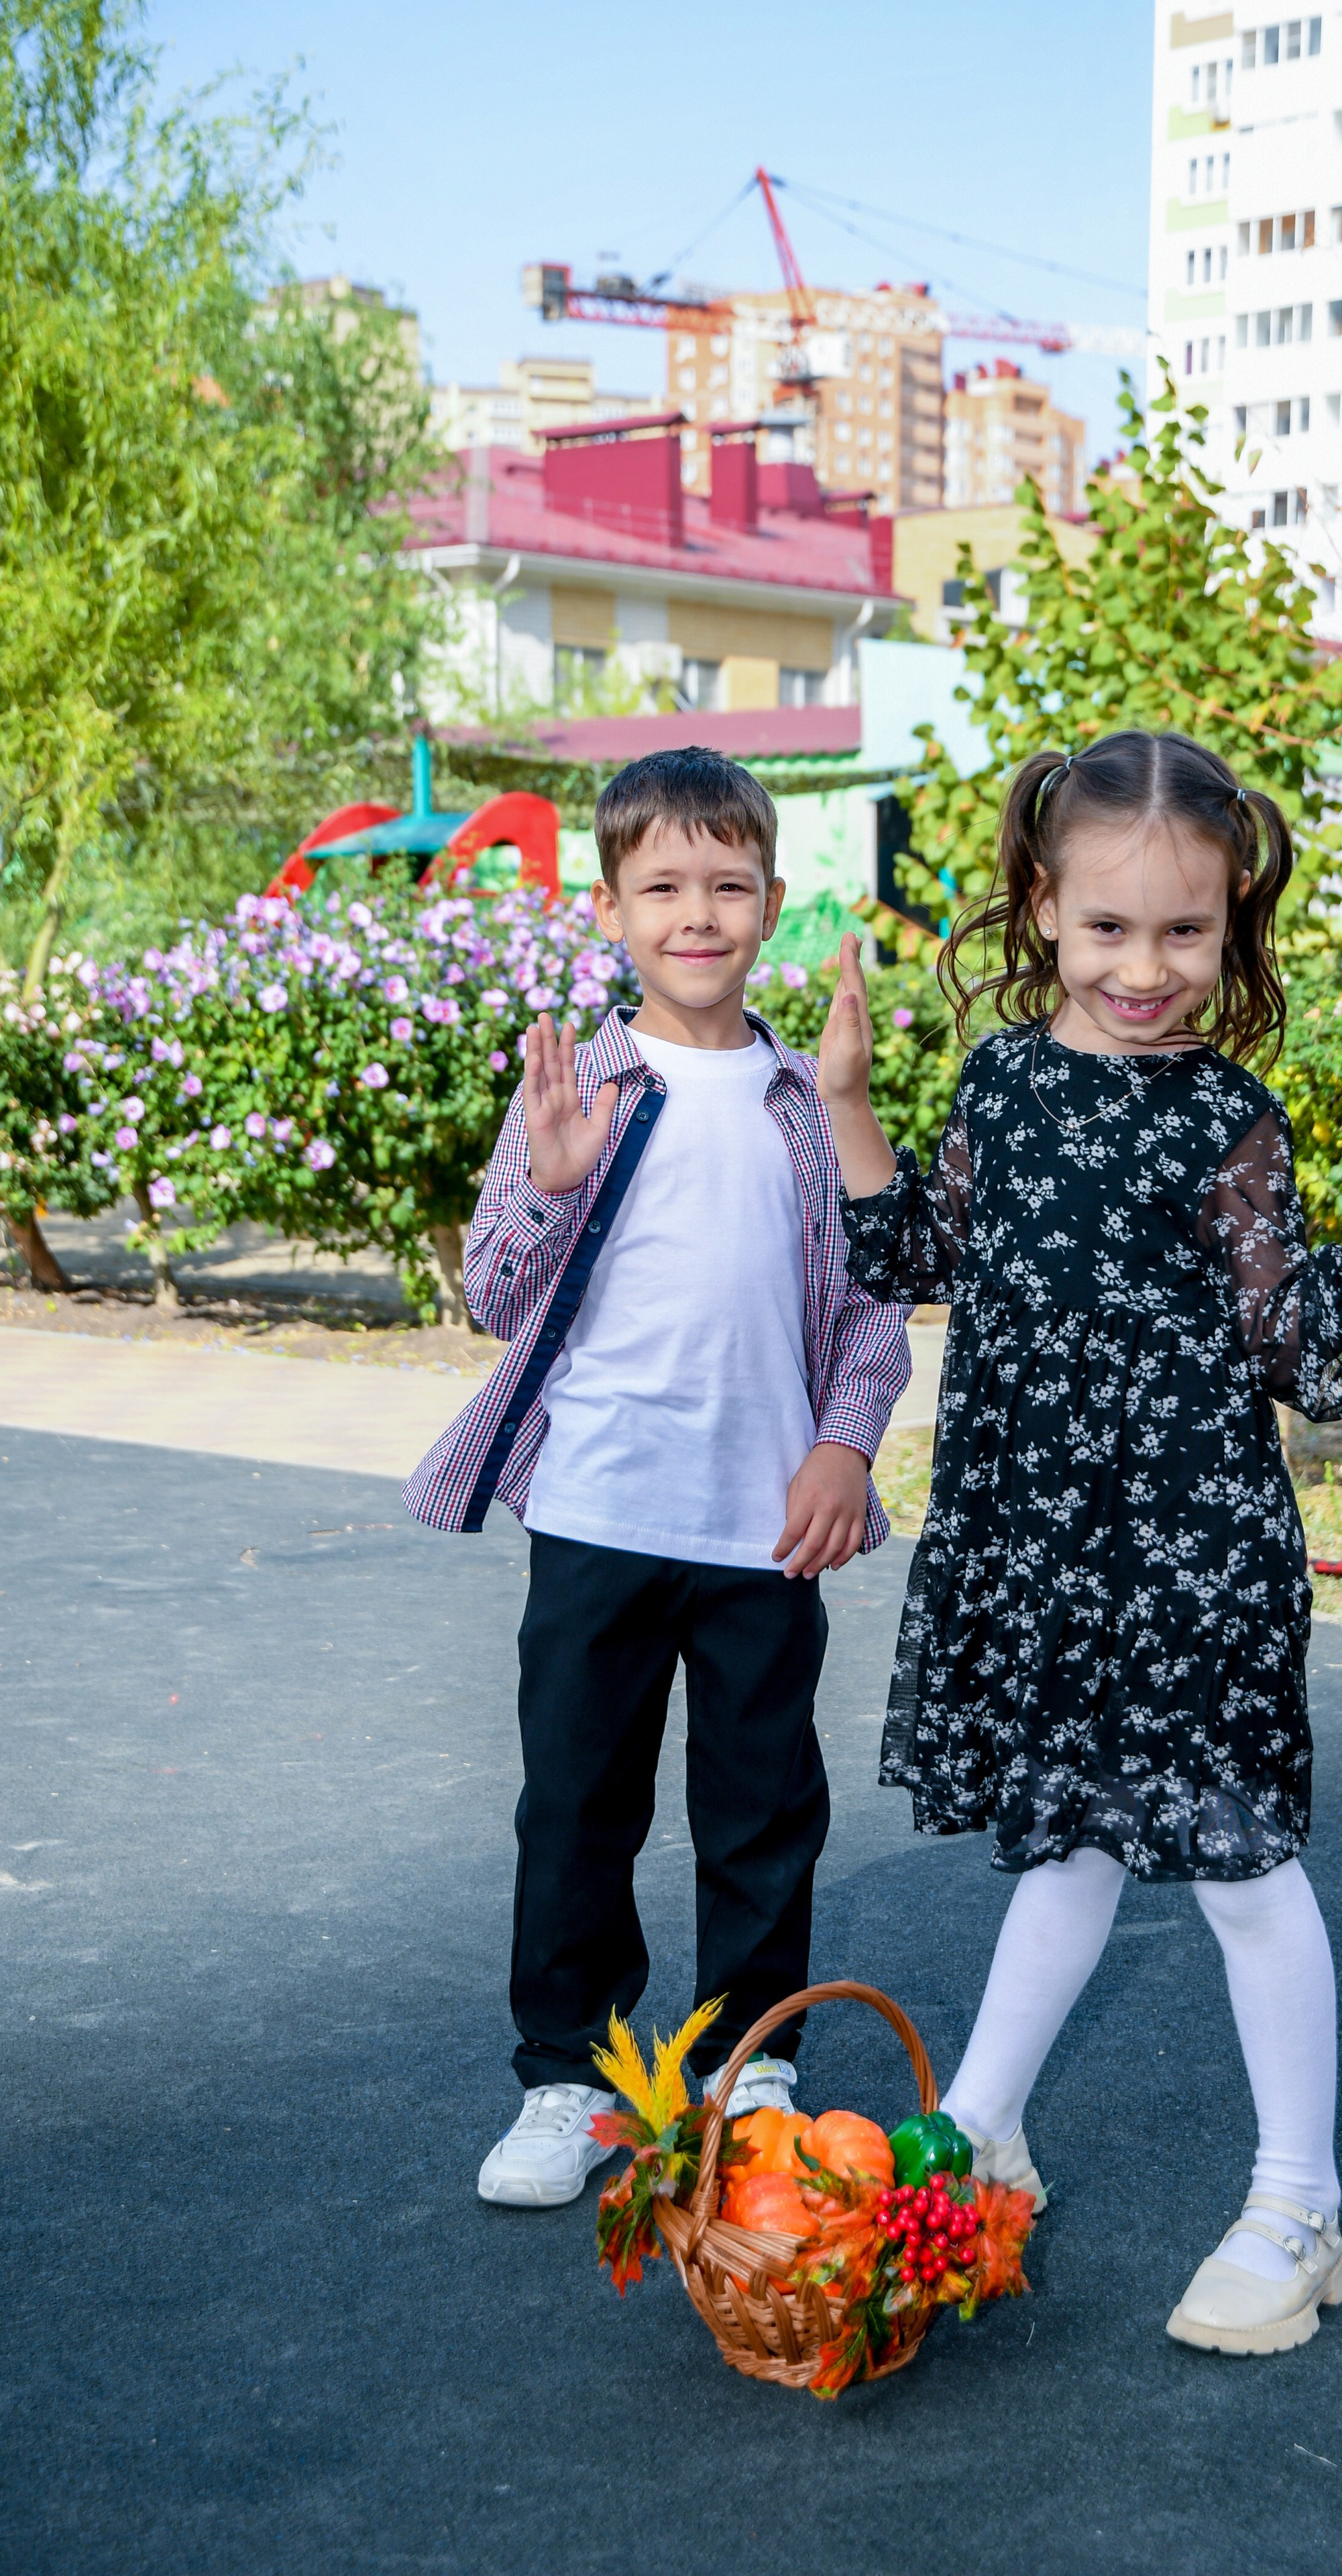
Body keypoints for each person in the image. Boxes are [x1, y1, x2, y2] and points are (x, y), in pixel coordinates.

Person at [816, 729, 1342, 2354]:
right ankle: (984, 2124)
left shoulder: (1227, 1118)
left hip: (1190, 1549)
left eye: (1185, 933)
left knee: (1239, 1868)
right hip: (1034, 1538)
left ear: (1231, 928)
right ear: (1042, 909)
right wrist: (850, 1109)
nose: (1148, 968)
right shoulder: (997, 1078)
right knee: (1064, 1839)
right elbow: (912, 1252)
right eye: (1111, 928)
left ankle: (1297, 2207)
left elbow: (1309, 1363)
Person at [404, 747, 910, 2209]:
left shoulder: (806, 1104)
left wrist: (841, 1446)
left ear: (770, 899)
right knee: (576, 1806)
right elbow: (499, 1296)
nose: (699, 913)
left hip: (765, 1525)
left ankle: (749, 2066)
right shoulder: (581, 1087)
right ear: (613, 907)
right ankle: (566, 2076)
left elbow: (872, 1305)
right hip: (601, 1515)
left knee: (762, 1804)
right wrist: (550, 1189)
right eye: (663, 887)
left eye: (727, 884)